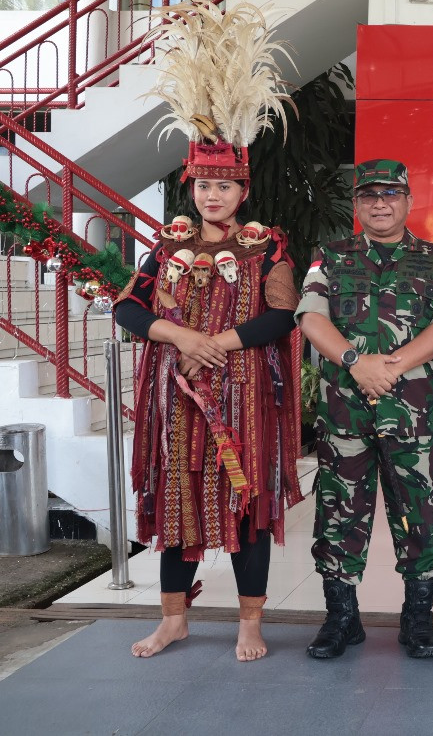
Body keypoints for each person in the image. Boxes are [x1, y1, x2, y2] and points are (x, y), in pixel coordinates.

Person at [118, 147, 302, 663]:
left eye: (224, 187)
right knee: (177, 504)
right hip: (177, 403)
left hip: (244, 397)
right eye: (203, 186)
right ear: (191, 191)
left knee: (247, 507)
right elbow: (127, 308)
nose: (212, 196)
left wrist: (213, 344)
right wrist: (180, 336)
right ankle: (173, 622)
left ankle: (250, 623)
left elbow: (283, 315)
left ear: (243, 193)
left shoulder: (267, 251)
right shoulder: (165, 248)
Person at [295, 159, 433, 660]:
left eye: (390, 195)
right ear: (358, 204)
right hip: (344, 412)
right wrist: (353, 361)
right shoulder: (330, 256)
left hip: (411, 414)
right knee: (339, 511)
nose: (380, 204)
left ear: (409, 202)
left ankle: (418, 619)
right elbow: (310, 316)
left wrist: (389, 366)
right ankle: (341, 618)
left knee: (419, 513)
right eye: (369, 196)